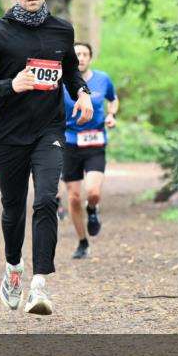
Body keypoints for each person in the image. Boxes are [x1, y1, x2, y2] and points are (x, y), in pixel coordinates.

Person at [0, 0, 93, 316]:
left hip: (49, 131)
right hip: (8, 137)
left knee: (47, 199)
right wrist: (10, 86)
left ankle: (39, 285)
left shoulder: (62, 30)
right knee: (13, 209)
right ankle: (14, 269)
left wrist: (81, 92)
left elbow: (69, 70)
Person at [63, 41, 118, 259]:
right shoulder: (62, 81)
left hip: (95, 142)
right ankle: (82, 242)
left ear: (90, 58)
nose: (81, 58)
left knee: (93, 192)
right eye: (77, 54)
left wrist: (111, 115)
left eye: (85, 54)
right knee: (74, 197)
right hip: (69, 142)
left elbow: (113, 100)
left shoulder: (103, 79)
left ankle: (92, 209)